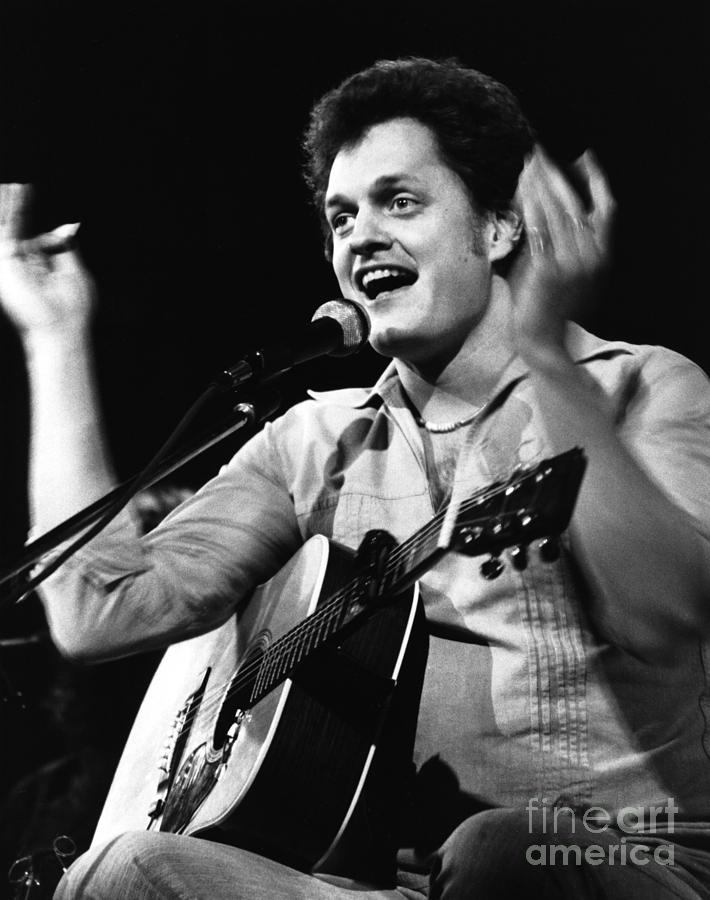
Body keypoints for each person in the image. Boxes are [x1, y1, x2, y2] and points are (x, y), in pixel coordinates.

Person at [1, 56, 710, 899]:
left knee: (498, 850)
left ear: (500, 228)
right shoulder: (313, 440)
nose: (359, 236)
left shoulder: (641, 387)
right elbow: (98, 610)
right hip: (382, 884)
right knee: (120, 872)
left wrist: (549, 360)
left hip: (621, 853)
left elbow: (666, 613)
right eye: (341, 217)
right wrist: (54, 339)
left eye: (398, 202)